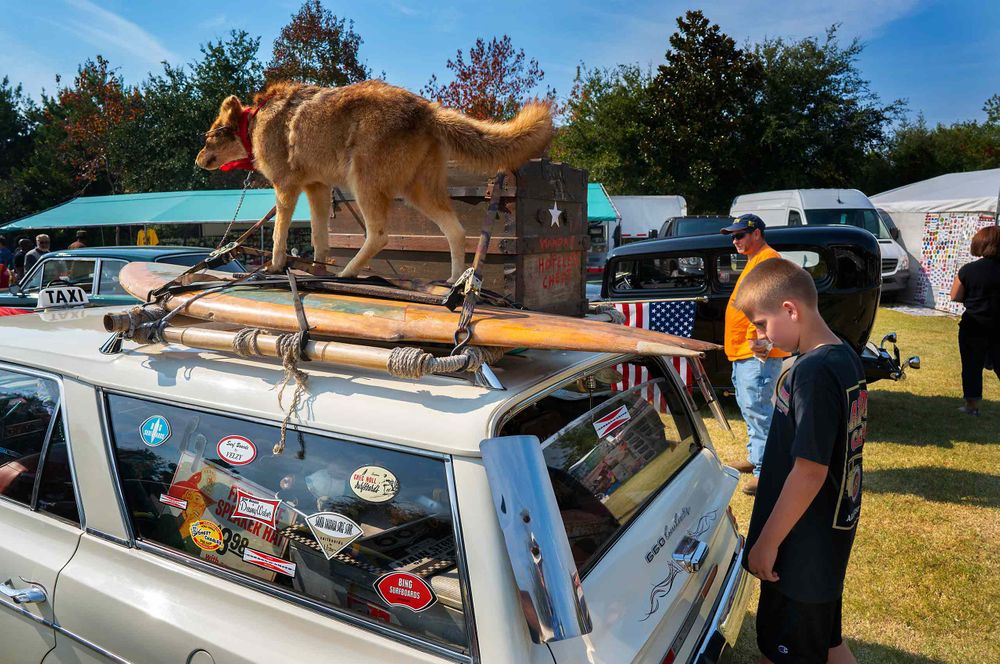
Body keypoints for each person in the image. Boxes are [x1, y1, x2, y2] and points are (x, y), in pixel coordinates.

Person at [735, 258, 865, 664]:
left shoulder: (814, 372)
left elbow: (810, 470)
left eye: (761, 323)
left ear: (790, 310)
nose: (760, 334)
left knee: (783, 652)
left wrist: (766, 544)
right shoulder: (842, 355)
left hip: (799, 546)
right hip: (827, 538)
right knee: (826, 643)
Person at [721, 214, 789, 494]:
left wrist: (758, 339)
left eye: (740, 235)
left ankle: (767, 472)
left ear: (757, 234)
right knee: (751, 407)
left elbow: (769, 304)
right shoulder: (756, 260)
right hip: (743, 352)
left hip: (756, 352)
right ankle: (756, 458)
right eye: (733, 236)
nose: (735, 241)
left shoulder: (768, 260)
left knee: (759, 409)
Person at [950, 225, 1000, 416]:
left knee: (971, 365)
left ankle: (972, 406)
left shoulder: (969, 270)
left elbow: (955, 295)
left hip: (974, 325)